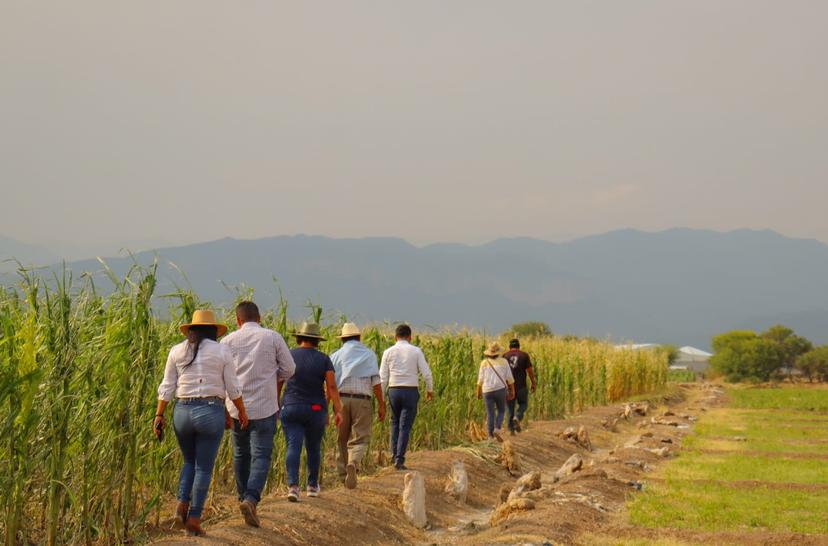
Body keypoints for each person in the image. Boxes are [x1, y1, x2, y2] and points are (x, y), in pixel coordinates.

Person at [154, 310, 249, 537]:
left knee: (189, 461)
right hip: (209, 412)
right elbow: (232, 387)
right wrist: (241, 412)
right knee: (204, 467)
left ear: (192, 330)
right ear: (214, 331)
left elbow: (167, 386)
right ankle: (194, 518)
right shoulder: (222, 351)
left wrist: (159, 415)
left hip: (182, 411)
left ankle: (180, 506)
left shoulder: (176, 351)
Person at [221, 301, 295, 527]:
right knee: (261, 455)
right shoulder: (272, 337)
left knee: (240, 454)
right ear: (259, 317)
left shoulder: (226, 341)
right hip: (264, 406)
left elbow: (220, 374)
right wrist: (275, 379)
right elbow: (290, 369)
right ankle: (251, 499)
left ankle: (244, 497)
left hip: (236, 407)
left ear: (238, 320)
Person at [279, 322, 343, 502]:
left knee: (293, 446)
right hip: (315, 408)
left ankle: (293, 486)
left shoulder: (289, 356)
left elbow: (279, 381)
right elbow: (331, 386)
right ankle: (312, 486)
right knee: (313, 447)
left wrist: (277, 402)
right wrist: (337, 411)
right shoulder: (324, 359)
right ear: (317, 341)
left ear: (299, 337)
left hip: (291, 406)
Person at [330, 322, 385, 489]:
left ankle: (342, 476)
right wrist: (382, 404)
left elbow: (330, 383)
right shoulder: (369, 355)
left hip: (341, 399)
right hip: (362, 400)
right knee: (360, 436)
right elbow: (376, 382)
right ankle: (353, 462)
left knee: (342, 438)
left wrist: (331, 404)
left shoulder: (335, 356)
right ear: (359, 337)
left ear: (343, 339)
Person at [379, 324, 434, 470]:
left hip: (393, 390)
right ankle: (399, 459)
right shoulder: (416, 351)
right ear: (410, 337)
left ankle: (394, 455)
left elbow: (382, 378)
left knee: (395, 423)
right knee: (405, 425)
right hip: (410, 391)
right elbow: (427, 373)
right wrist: (430, 390)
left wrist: (382, 399)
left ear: (395, 337)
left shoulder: (388, 352)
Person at [476, 342, 516, 442]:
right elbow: (510, 379)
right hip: (500, 390)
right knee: (501, 410)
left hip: (487, 391)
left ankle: (490, 436)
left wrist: (478, 392)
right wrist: (513, 391)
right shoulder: (503, 362)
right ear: (498, 352)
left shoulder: (484, 363)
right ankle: (497, 429)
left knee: (490, 413)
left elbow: (480, 380)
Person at [503, 338, 537, 434]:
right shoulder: (524, 355)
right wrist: (533, 382)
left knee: (510, 408)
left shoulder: (505, 356)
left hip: (509, 386)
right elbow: (529, 370)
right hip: (521, 385)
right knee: (523, 404)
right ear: (519, 346)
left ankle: (511, 430)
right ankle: (517, 417)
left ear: (510, 347)